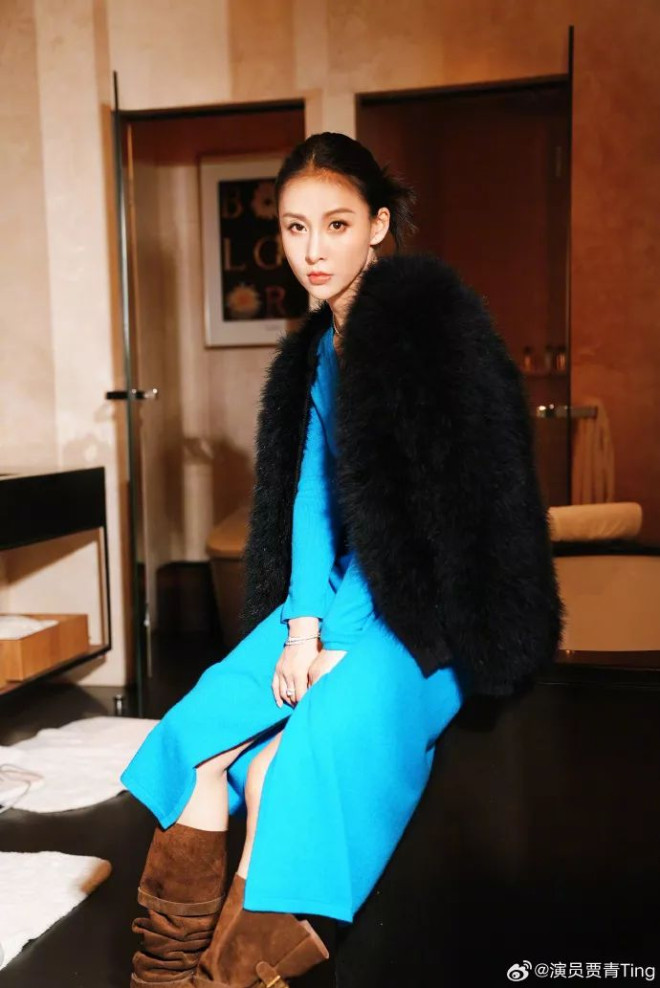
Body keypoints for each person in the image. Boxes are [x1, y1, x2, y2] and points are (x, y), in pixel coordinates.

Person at [121, 132, 563, 988]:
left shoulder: (433, 334)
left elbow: (448, 513)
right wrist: (302, 629)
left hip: (423, 614)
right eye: (295, 228)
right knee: (195, 737)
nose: (313, 250)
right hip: (335, 595)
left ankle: (227, 979)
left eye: (336, 224)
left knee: (288, 764)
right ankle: (162, 975)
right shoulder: (318, 350)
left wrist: (347, 647)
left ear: (378, 226)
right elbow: (314, 503)